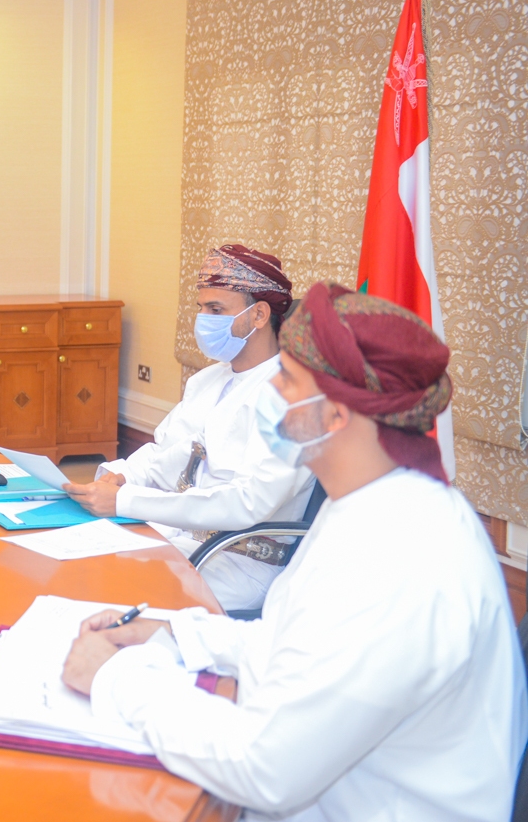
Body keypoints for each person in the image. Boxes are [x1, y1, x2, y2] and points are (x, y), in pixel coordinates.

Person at [61, 282, 526, 821]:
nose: (266, 390)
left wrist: (113, 679)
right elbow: (294, 639)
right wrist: (172, 632)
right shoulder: (366, 500)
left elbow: (264, 768)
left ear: (335, 416)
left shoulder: (405, 558)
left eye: (286, 378)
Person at [62, 245, 313, 611]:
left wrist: (126, 501)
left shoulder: (293, 397)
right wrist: (117, 478)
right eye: (201, 308)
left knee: (102, 594)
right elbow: (163, 452)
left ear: (259, 314)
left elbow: (248, 502)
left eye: (216, 310)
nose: (203, 320)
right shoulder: (209, 380)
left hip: (237, 562)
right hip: (177, 536)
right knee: (72, 561)